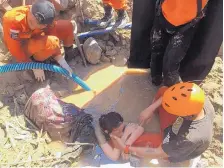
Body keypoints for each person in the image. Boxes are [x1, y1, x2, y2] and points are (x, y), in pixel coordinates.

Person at [111, 82, 215, 163]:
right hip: (177, 126)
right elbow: (170, 93)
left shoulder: (188, 138)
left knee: (139, 142)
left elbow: (158, 153)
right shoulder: (196, 98)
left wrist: (126, 148)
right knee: (164, 90)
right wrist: (150, 109)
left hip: (173, 148)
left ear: (185, 114)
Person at [2, 0, 76, 82]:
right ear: (30, 10)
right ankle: (38, 61)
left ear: (44, 25)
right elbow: (15, 49)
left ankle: (69, 55)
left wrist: (61, 61)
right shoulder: (13, 21)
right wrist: (33, 65)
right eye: (31, 21)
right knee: (51, 42)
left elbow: (51, 31)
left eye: (37, 23)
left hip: (36, 37)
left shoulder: (46, 17)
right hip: (23, 46)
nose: (33, 22)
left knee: (67, 26)